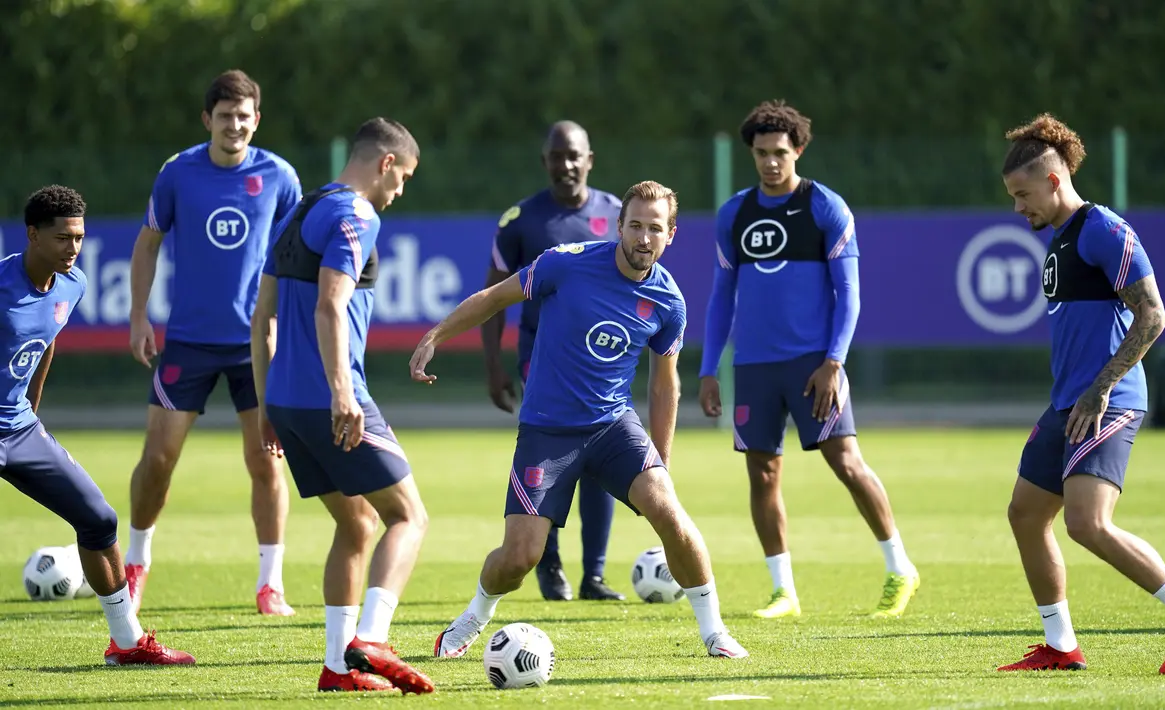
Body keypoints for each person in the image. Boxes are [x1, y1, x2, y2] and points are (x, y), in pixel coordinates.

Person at [417, 180, 749, 660]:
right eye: (634, 225)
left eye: (655, 229)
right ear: (619, 226)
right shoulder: (565, 263)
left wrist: (662, 461)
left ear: (671, 234)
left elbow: (663, 385)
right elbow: (493, 298)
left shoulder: (668, 301)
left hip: (612, 426)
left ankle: (715, 632)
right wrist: (436, 335)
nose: (642, 237)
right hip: (548, 430)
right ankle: (475, 613)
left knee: (670, 514)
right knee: (519, 559)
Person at [996, 113, 1165, 674]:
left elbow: (1153, 316)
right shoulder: (1061, 239)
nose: (1018, 207)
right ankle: (1061, 645)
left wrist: (1101, 389)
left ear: (1053, 180)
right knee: (1026, 514)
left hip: (1109, 399)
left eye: (1023, 194)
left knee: (1087, 523)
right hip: (1068, 403)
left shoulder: (1103, 229)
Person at [698, 100, 919, 620]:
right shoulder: (735, 214)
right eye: (761, 153)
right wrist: (710, 368)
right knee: (763, 475)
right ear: (750, 153)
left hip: (813, 365)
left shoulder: (825, 207)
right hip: (753, 369)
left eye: (780, 152)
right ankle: (784, 591)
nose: (771, 162)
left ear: (798, 150)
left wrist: (834, 362)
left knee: (846, 463)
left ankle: (899, 567)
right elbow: (720, 298)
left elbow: (850, 295)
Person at [252, 117, 434, 694]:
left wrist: (264, 405)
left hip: (284, 399)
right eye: (402, 177)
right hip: (329, 398)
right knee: (409, 515)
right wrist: (341, 393)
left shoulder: (300, 210)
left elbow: (263, 319)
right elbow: (331, 306)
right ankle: (373, 638)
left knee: (357, 523)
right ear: (385, 162)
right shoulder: (357, 214)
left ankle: (337, 668)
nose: (399, 190)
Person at [125, 69, 303, 616]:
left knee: (267, 462)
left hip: (256, 345)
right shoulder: (178, 173)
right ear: (208, 120)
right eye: (225, 116)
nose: (235, 125)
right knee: (158, 458)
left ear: (257, 120)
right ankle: (135, 562)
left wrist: (289, 329)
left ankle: (270, 584)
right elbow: (147, 245)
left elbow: (297, 258)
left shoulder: (280, 176)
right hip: (188, 342)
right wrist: (138, 316)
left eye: (244, 116)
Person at [4, 185, 194, 666]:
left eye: (80, 237)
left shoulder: (73, 285)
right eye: (64, 238)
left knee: (99, 519)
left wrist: (31, 406)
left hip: (19, 430)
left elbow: (46, 342)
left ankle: (127, 643)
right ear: (32, 235)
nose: (74, 247)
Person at [480, 120, 624, 602]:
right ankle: (550, 566)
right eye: (556, 156)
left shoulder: (618, 214)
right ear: (545, 161)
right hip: (542, 359)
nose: (566, 165)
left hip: (603, 361)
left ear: (589, 159)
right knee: (560, 455)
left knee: (601, 461)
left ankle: (595, 575)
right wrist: (493, 365)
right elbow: (493, 295)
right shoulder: (521, 220)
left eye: (574, 155)